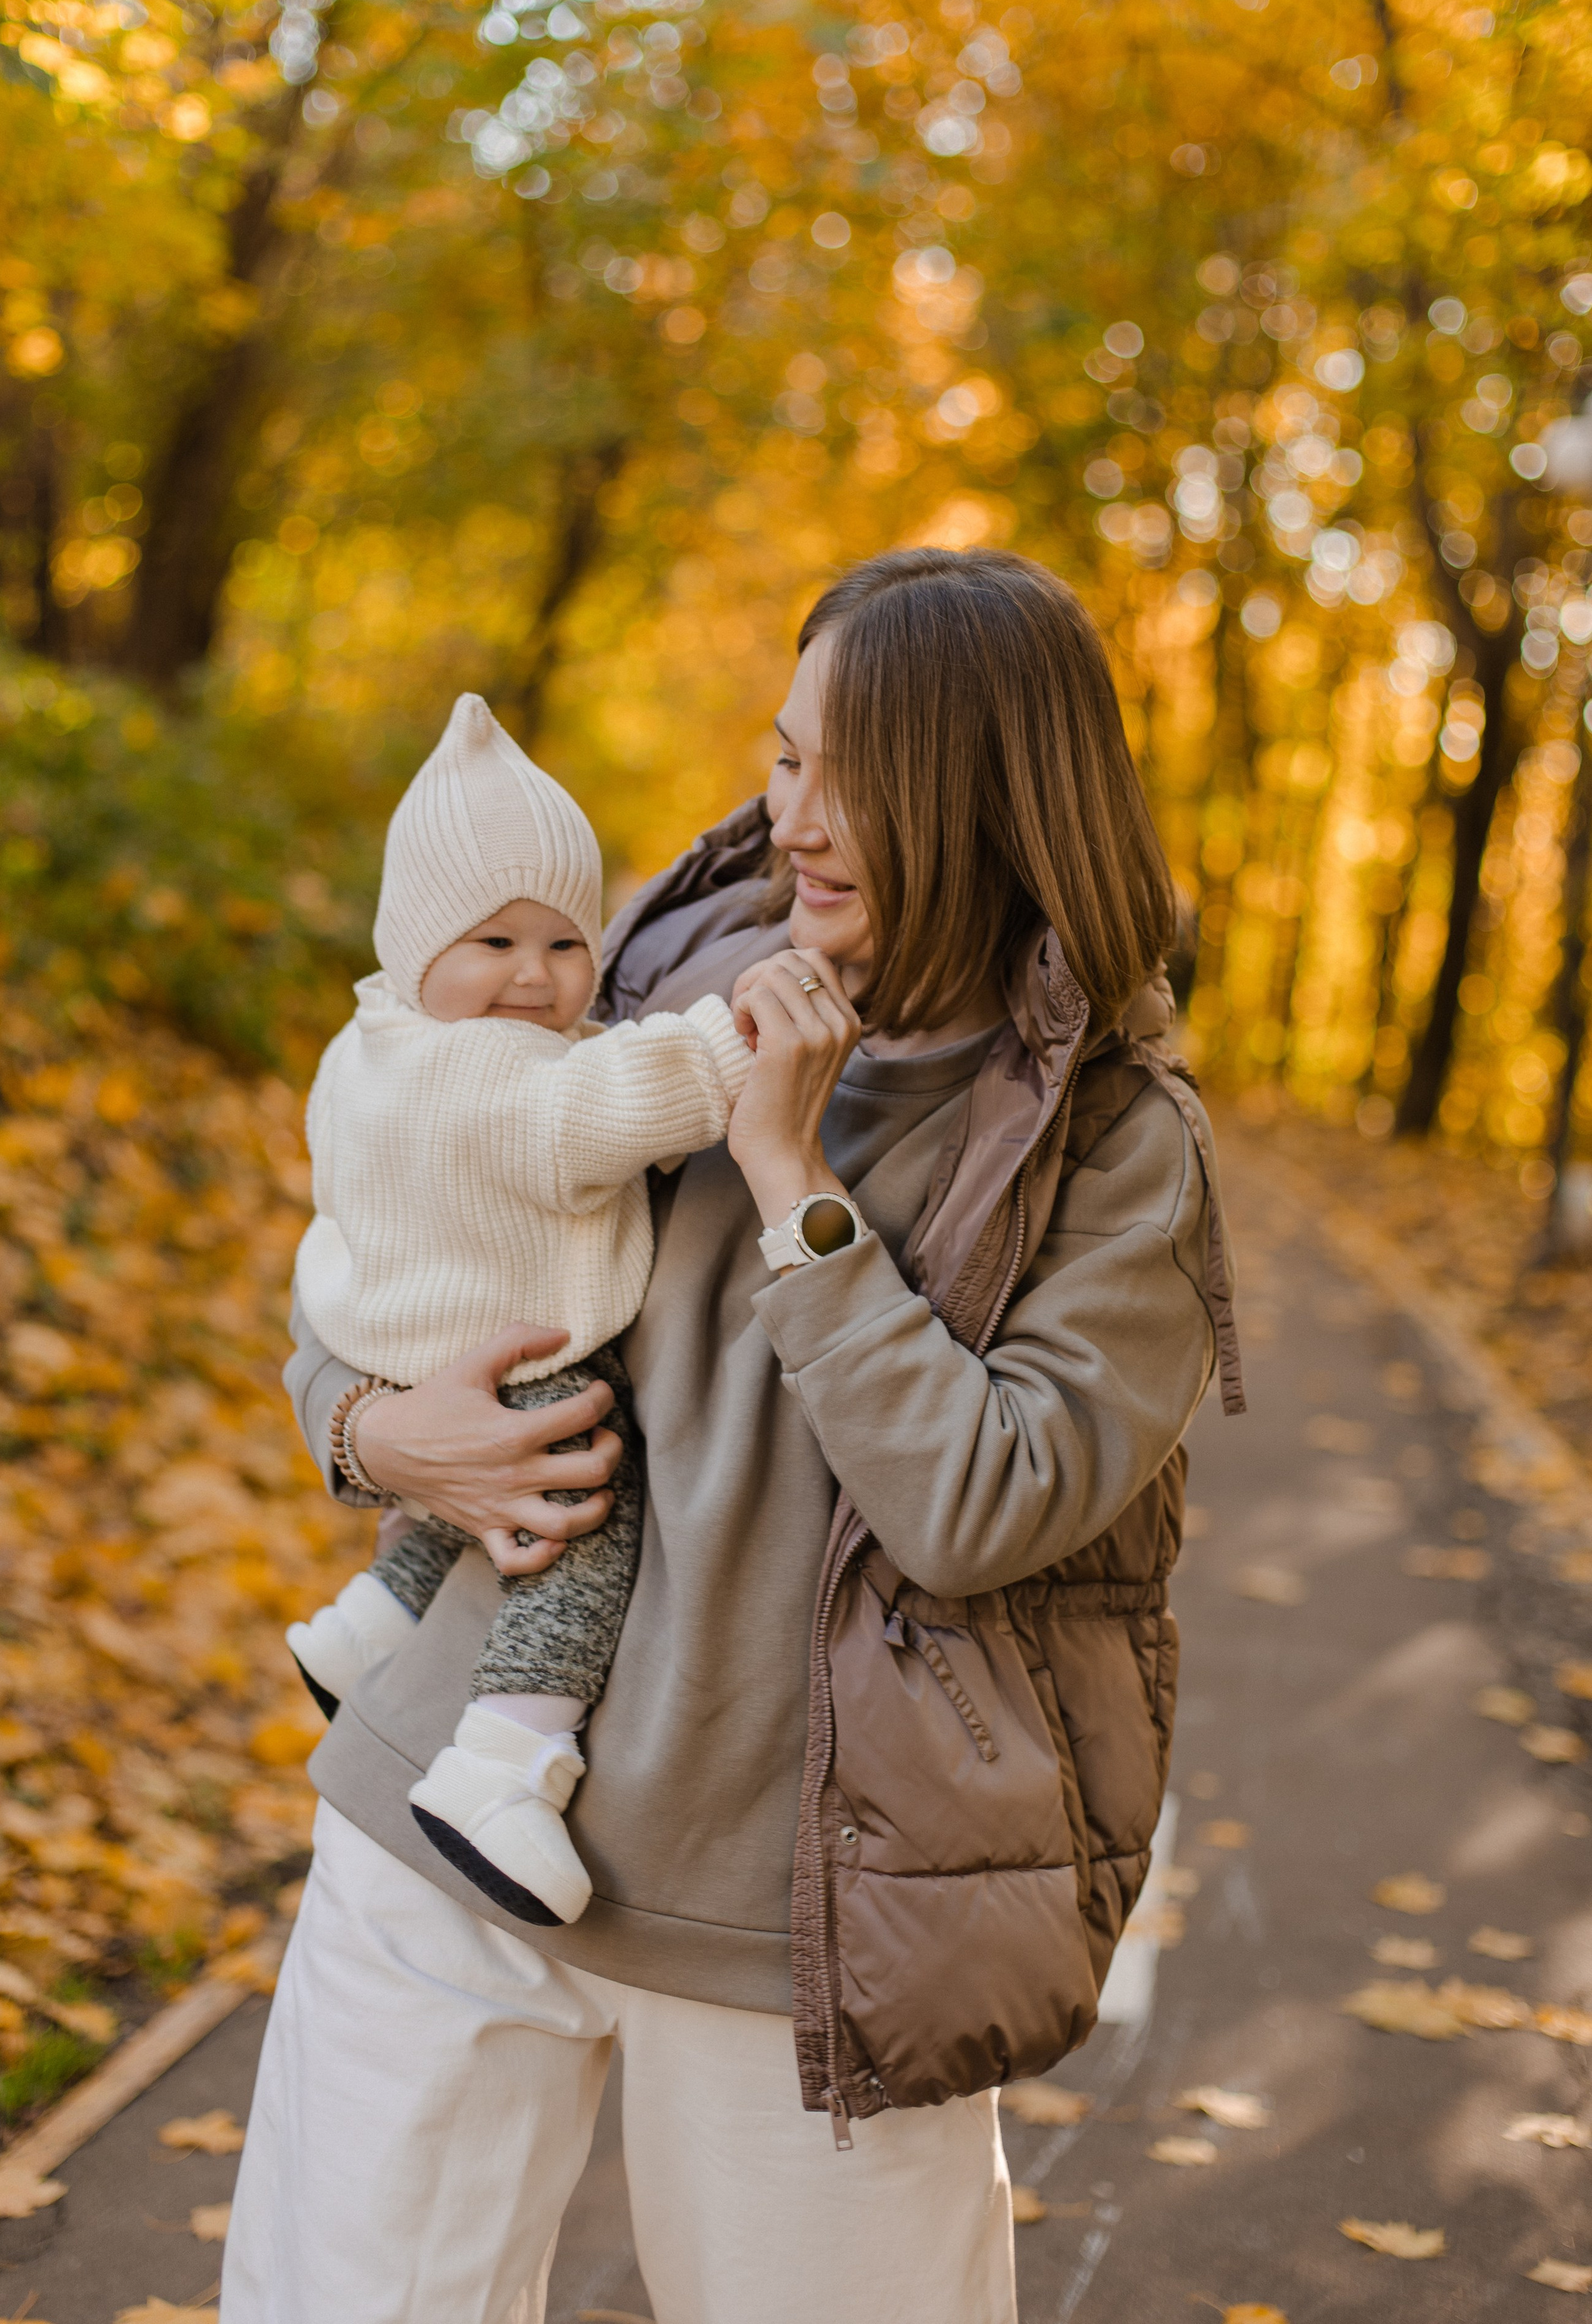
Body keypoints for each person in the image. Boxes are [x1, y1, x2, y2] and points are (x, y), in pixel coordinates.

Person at [224, 548, 1239, 2324]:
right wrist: (376, 1436)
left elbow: (984, 1504)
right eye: (786, 761)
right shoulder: (658, 954)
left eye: (859, 780)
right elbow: (402, 1205)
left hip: (807, 1919)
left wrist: (793, 1177)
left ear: (992, 796)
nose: (801, 823)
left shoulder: (1117, 1143)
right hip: (452, 1813)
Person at [283, 693, 749, 1925]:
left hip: (402, 1341)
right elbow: (628, 1097)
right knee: (579, 1515)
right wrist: (748, 1037)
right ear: (418, 941)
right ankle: (505, 1762)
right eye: (493, 943)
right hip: (516, 1359)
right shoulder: (506, 1085)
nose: (536, 979)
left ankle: (370, 1621)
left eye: (565, 944)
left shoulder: (369, 1044)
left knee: (480, 1497)